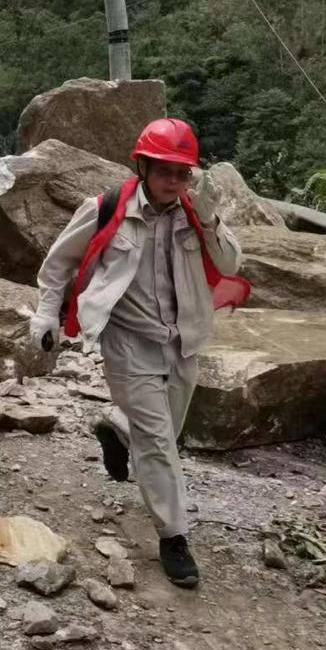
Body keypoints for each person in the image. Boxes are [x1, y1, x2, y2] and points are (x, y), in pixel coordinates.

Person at [28, 118, 248, 588]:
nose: (174, 181)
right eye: (165, 170)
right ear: (144, 166)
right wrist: (46, 315)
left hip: (183, 340)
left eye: (183, 173)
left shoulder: (194, 212)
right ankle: (174, 536)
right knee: (159, 442)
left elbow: (231, 264)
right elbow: (59, 262)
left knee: (163, 428)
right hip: (129, 340)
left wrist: (210, 218)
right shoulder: (107, 208)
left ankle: (117, 426)